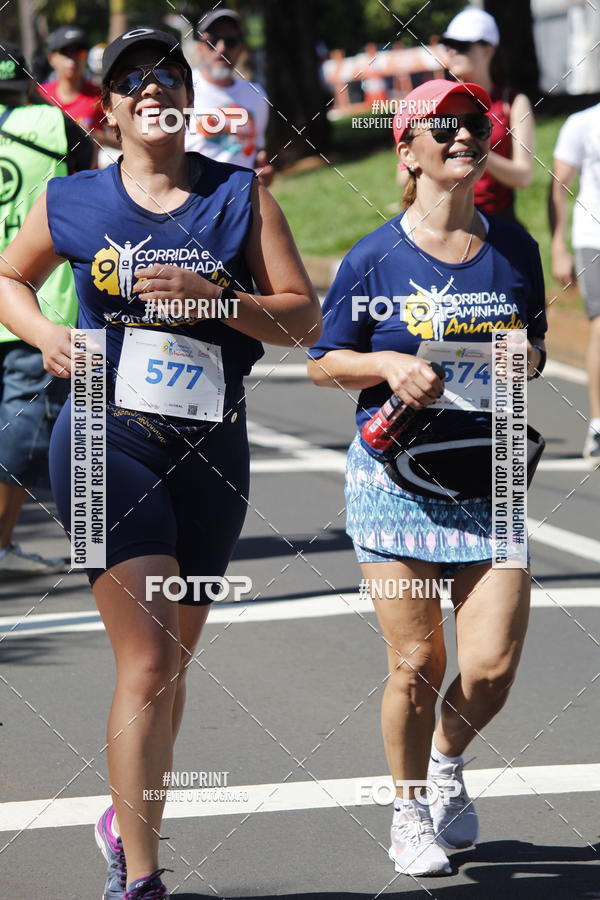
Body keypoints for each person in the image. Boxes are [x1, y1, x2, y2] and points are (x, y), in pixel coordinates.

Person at [0, 26, 320, 899]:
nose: (151, 87)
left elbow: (304, 320)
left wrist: (220, 297)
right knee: (142, 663)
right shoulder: (73, 199)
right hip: (107, 441)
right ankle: (139, 878)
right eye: (131, 79)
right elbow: (9, 277)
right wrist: (43, 336)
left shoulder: (240, 197)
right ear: (107, 109)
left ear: (190, 101)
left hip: (211, 446)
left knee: (174, 661)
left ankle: (122, 818)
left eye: (167, 75)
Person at [308, 79, 546, 877]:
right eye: (441, 127)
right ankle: (408, 813)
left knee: (490, 666)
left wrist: (529, 357)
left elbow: (534, 341)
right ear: (407, 151)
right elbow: (321, 362)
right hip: (393, 481)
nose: (462, 136)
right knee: (418, 665)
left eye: (474, 124)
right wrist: (384, 362)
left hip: (487, 474)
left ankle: (447, 763)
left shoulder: (515, 250)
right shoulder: (376, 255)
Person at [0, 41, 93, 580]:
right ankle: (93, 545)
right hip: (39, 308)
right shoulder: (53, 125)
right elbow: (98, 191)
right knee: (39, 431)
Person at [438, 8, 534, 222]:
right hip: (448, 221)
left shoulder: (513, 103)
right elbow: (404, 174)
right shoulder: (437, 100)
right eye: (448, 45)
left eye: (461, 45)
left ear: (488, 50)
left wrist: (477, 150)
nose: (452, 52)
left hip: (498, 222)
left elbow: (523, 176)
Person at [549, 102, 600, 457]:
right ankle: (599, 425)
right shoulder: (583, 122)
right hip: (594, 238)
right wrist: (558, 246)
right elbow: (559, 186)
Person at [185, 8, 274, 186]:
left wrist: (264, 174)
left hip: (242, 201)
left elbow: (257, 155)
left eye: (231, 42)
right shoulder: (181, 89)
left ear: (241, 49)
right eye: (212, 41)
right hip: (195, 199)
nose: (222, 48)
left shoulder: (256, 95)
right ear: (199, 47)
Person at [39, 25, 120, 151]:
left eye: (79, 52)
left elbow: (125, 141)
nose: (72, 59)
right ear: (51, 58)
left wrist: (96, 136)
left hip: (91, 170)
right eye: (65, 52)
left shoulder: (100, 95)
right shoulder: (40, 95)